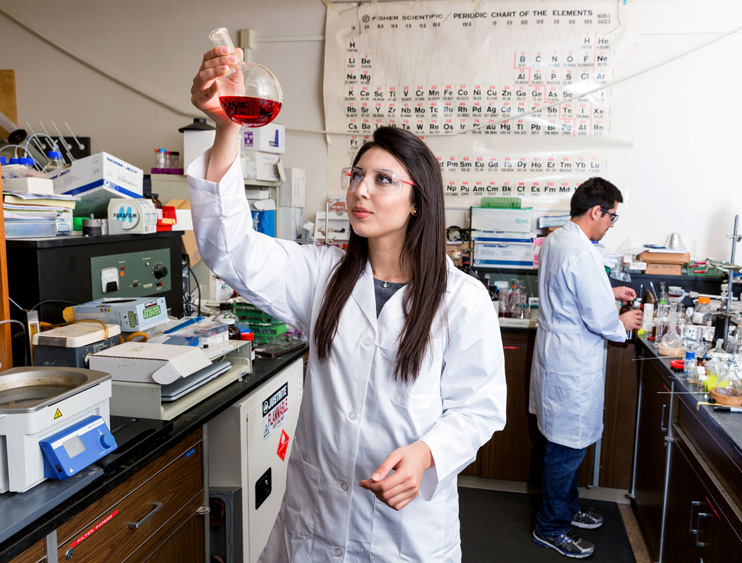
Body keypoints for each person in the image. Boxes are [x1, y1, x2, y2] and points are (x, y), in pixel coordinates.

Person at [188, 45, 507, 562]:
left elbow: (479, 409)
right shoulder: (323, 275)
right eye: (357, 175)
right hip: (314, 523)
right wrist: (227, 126)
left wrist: (428, 454)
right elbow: (231, 250)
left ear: (417, 200)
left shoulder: (463, 301)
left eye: (382, 180)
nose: (361, 190)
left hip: (405, 534)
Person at [528, 177, 642, 559]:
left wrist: (610, 291)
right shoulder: (583, 251)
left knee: (562, 445)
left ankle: (566, 508)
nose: (611, 223)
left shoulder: (559, 239)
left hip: (557, 354)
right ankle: (551, 526)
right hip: (572, 359)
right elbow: (597, 317)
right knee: (566, 449)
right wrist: (621, 323)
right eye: (611, 216)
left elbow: (570, 288)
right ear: (596, 211)